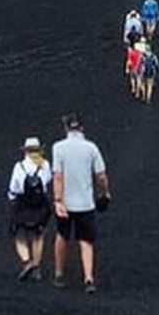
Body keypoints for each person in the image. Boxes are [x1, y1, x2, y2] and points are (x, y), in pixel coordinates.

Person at [52, 113, 109, 293]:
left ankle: (59, 274)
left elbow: (58, 176)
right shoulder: (91, 148)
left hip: (65, 203)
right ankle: (88, 278)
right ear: (82, 128)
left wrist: (58, 200)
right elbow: (101, 176)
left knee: (62, 236)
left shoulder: (58, 148)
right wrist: (104, 192)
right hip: (85, 204)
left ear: (66, 128)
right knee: (86, 241)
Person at [6, 136, 53, 281]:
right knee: (38, 235)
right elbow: (48, 180)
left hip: (22, 204)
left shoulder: (19, 166)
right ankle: (36, 267)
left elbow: (13, 187)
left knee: (19, 235)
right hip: (39, 204)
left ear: (25, 151)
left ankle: (27, 262)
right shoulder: (45, 165)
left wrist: (12, 201)